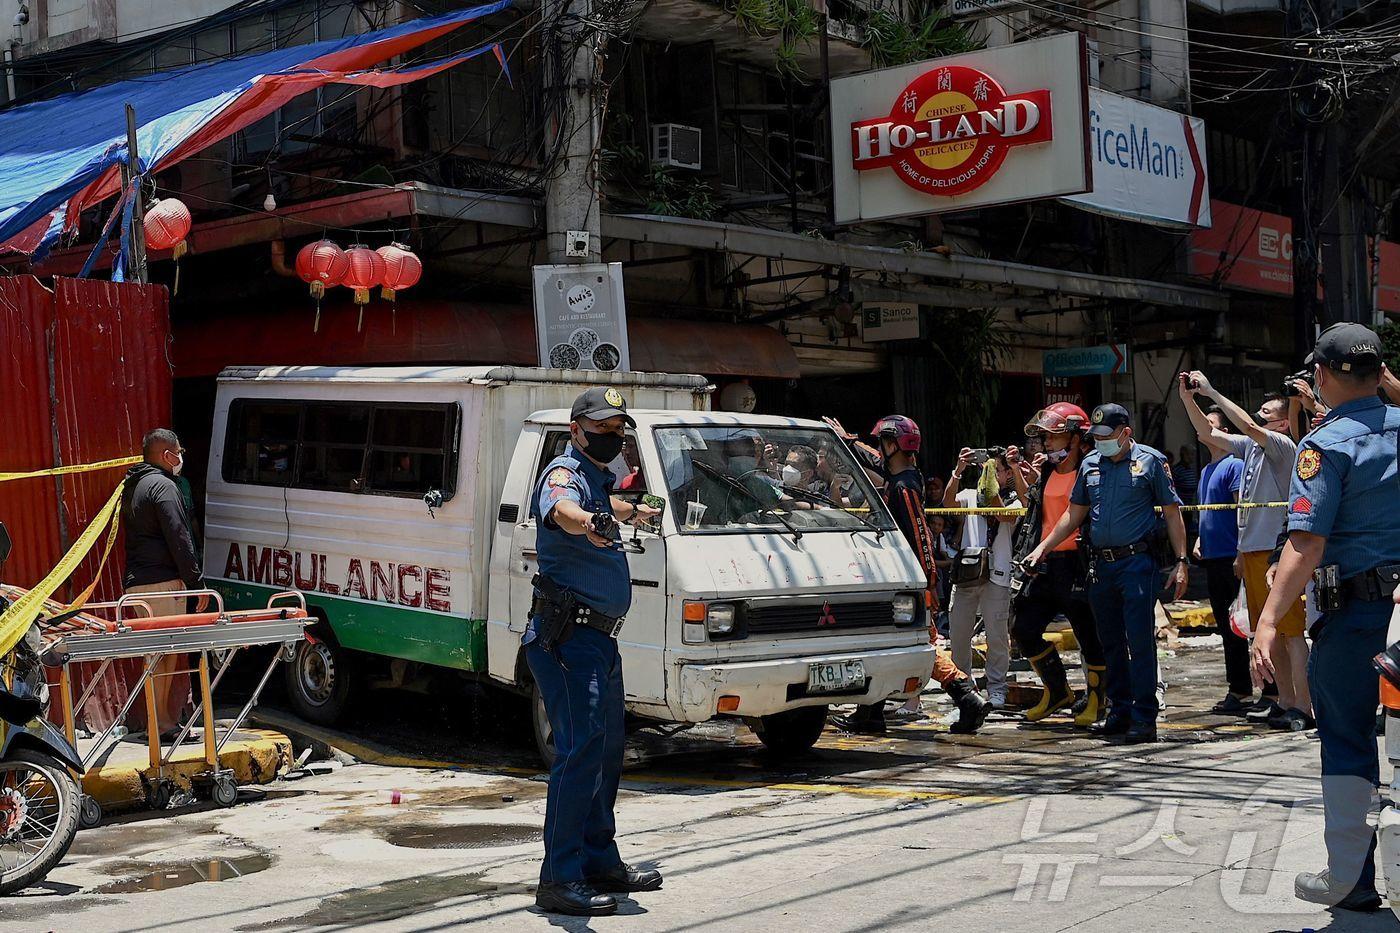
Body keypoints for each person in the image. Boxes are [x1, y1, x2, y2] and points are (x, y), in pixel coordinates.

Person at [1252, 323, 1400, 912]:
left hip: (1358, 617)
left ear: (1323, 375)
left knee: (1347, 741)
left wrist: (1267, 621)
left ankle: (1349, 879)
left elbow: (1306, 544)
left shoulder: (1327, 445)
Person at [525, 387, 662, 917]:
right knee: (578, 752)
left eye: (618, 429)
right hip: (569, 640)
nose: (613, 437)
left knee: (604, 753)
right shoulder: (563, 471)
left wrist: (632, 512)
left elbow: (605, 505)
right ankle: (559, 879)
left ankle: (599, 861)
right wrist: (593, 523)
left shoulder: (599, 480)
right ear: (577, 429)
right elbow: (563, 509)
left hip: (600, 639)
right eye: (602, 428)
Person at [1025, 403, 1189, 744]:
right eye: (1095, 436)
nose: (1100, 442)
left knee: (1140, 642)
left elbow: (1173, 513)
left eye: (1106, 436)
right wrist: (1043, 547)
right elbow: (1073, 515)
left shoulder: (1151, 462)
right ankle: (1119, 711)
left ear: (1125, 432)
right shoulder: (1090, 465)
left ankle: (1144, 717)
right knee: (1109, 643)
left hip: (1136, 564)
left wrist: (1182, 561)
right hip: (1101, 565)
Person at [824, 415, 990, 735]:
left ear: (891, 444)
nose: (879, 449)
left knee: (922, 646)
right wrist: (847, 441)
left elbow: (920, 537)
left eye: (882, 443)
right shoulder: (903, 474)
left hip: (909, 580)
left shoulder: (904, 487)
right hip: (903, 578)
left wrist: (925, 583)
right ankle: (870, 713)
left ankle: (967, 697)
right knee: (882, 641)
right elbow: (873, 460)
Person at [1180, 372, 1311, 730]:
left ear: (1283, 422)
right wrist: (1188, 399)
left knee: (1291, 632)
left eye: (1267, 412)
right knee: (1268, 633)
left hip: (1275, 551)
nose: (1257, 415)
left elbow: (1249, 425)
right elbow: (1209, 434)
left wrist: (1211, 390)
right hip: (1252, 551)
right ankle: (1284, 700)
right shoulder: (1250, 449)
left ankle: (1305, 704)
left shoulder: (1283, 446)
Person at [1008, 403, 1108, 727]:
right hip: (1046, 562)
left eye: (1054, 436)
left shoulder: (1092, 470)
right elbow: (1035, 514)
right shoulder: (1048, 472)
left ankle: (1096, 700)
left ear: (1077, 437)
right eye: (1045, 437)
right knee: (1023, 628)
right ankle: (1058, 691)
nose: (1047, 442)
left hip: (1078, 563)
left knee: (1087, 634)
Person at [123, 429, 207, 734]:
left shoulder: (134, 485)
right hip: (162, 584)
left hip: (139, 585)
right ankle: (160, 726)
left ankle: (163, 723)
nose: (181, 458)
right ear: (165, 455)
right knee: (165, 657)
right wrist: (196, 583)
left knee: (158, 656)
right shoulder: (164, 486)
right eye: (178, 452)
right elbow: (179, 536)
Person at [1180, 404, 1250, 712]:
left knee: (1242, 624)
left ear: (1225, 432)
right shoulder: (1207, 470)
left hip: (1232, 558)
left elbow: (1241, 511)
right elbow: (1207, 511)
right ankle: (1240, 689)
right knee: (1226, 625)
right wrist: (1198, 539)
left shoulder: (1234, 465)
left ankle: (1260, 689)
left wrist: (1241, 552)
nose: (1202, 428)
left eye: (1210, 423)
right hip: (1213, 557)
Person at [943, 448, 1016, 708]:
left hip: (997, 575)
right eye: (988, 469)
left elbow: (1001, 515)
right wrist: (959, 471)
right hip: (968, 573)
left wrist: (989, 486)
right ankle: (964, 688)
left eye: (997, 470)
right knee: (959, 635)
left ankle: (997, 689)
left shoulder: (1014, 500)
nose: (991, 474)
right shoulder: (971, 495)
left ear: (1007, 474)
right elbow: (948, 504)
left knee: (996, 636)